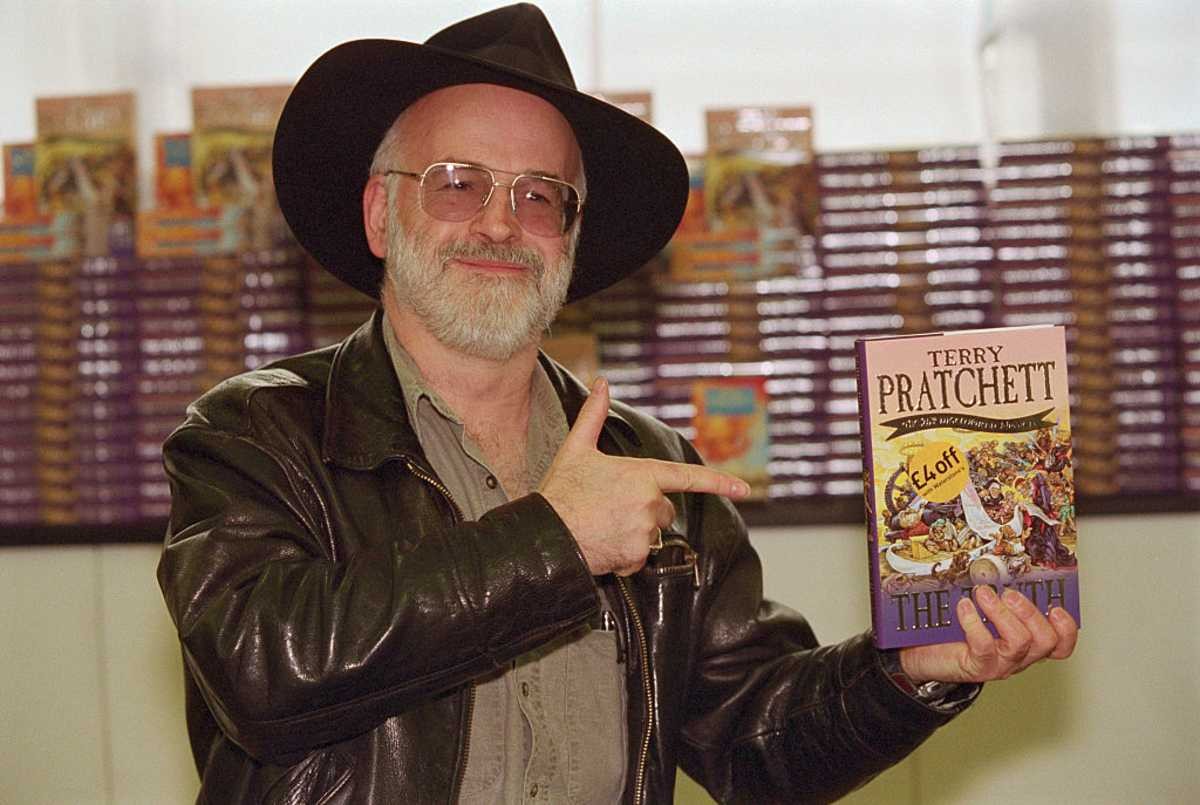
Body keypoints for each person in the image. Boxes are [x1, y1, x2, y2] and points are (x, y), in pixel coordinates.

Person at [157, 5, 1078, 803]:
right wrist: (555, 542)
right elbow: (263, 669)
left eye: (540, 196)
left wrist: (913, 672)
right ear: (377, 214)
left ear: (569, 236)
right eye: (458, 183)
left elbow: (758, 745)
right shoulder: (255, 433)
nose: (497, 222)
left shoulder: (647, 467)